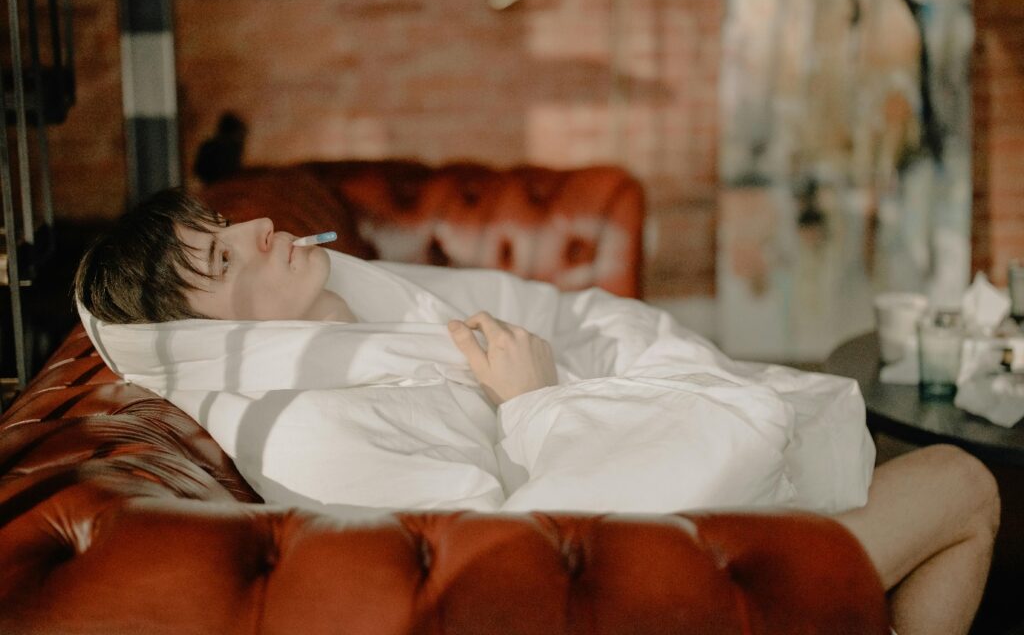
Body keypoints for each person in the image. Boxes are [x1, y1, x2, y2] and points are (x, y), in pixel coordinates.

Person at [76, 188, 998, 635]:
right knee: (962, 482)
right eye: (222, 264)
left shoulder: (382, 333)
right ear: (206, 342)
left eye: (219, 228)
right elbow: (515, 579)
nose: (252, 231)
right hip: (642, 592)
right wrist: (535, 402)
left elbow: (558, 326)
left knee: (869, 448)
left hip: (656, 528)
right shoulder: (312, 431)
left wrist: (579, 377)